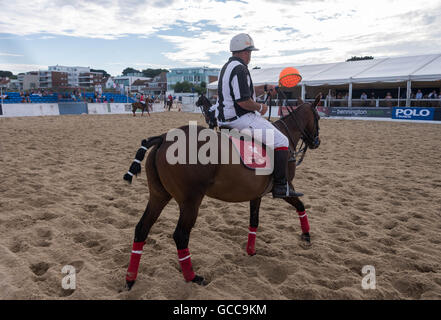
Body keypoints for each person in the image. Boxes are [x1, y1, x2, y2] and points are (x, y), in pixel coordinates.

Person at [212, 33, 302, 198]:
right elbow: (243, 101)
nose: (250, 56)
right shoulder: (240, 69)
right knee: (282, 140)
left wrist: (266, 87)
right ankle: (281, 186)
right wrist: (261, 107)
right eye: (250, 53)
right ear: (245, 52)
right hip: (239, 120)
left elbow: (247, 90)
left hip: (225, 118)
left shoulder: (227, 67)